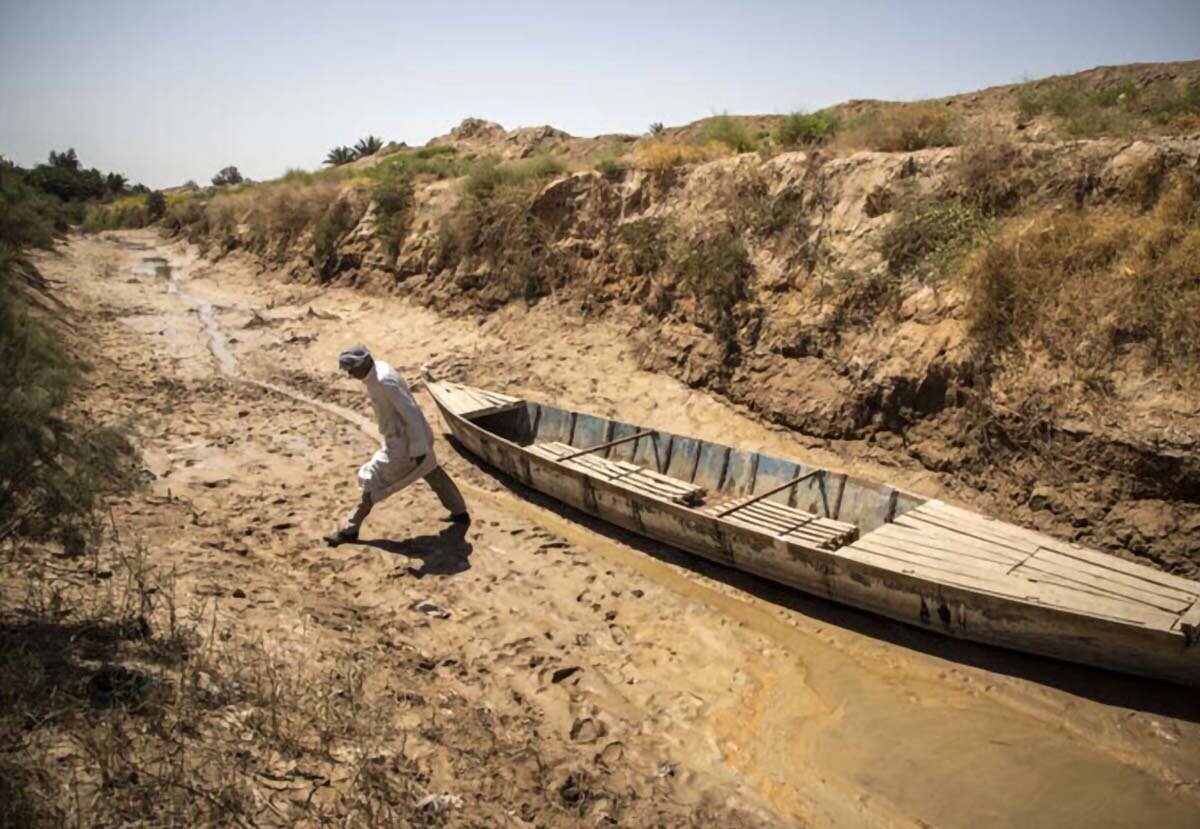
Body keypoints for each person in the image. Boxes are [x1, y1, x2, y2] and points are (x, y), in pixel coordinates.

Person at [324, 345, 468, 546]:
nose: (350, 374)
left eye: (351, 369)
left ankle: (349, 529)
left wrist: (418, 449)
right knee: (431, 471)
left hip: (405, 442)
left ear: (362, 364)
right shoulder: (379, 371)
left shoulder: (384, 382)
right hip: (406, 437)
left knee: (373, 480)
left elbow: (410, 415)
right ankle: (459, 512)